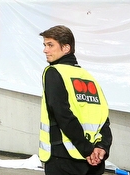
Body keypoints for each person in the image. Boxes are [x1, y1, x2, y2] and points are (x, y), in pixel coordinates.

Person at [38, 25, 112, 175]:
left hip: (64, 158)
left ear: (66, 48)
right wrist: (101, 148)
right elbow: (103, 118)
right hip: (93, 162)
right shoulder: (88, 77)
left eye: (50, 45)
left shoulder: (54, 72)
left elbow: (62, 114)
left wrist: (87, 150)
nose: (45, 50)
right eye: (45, 45)